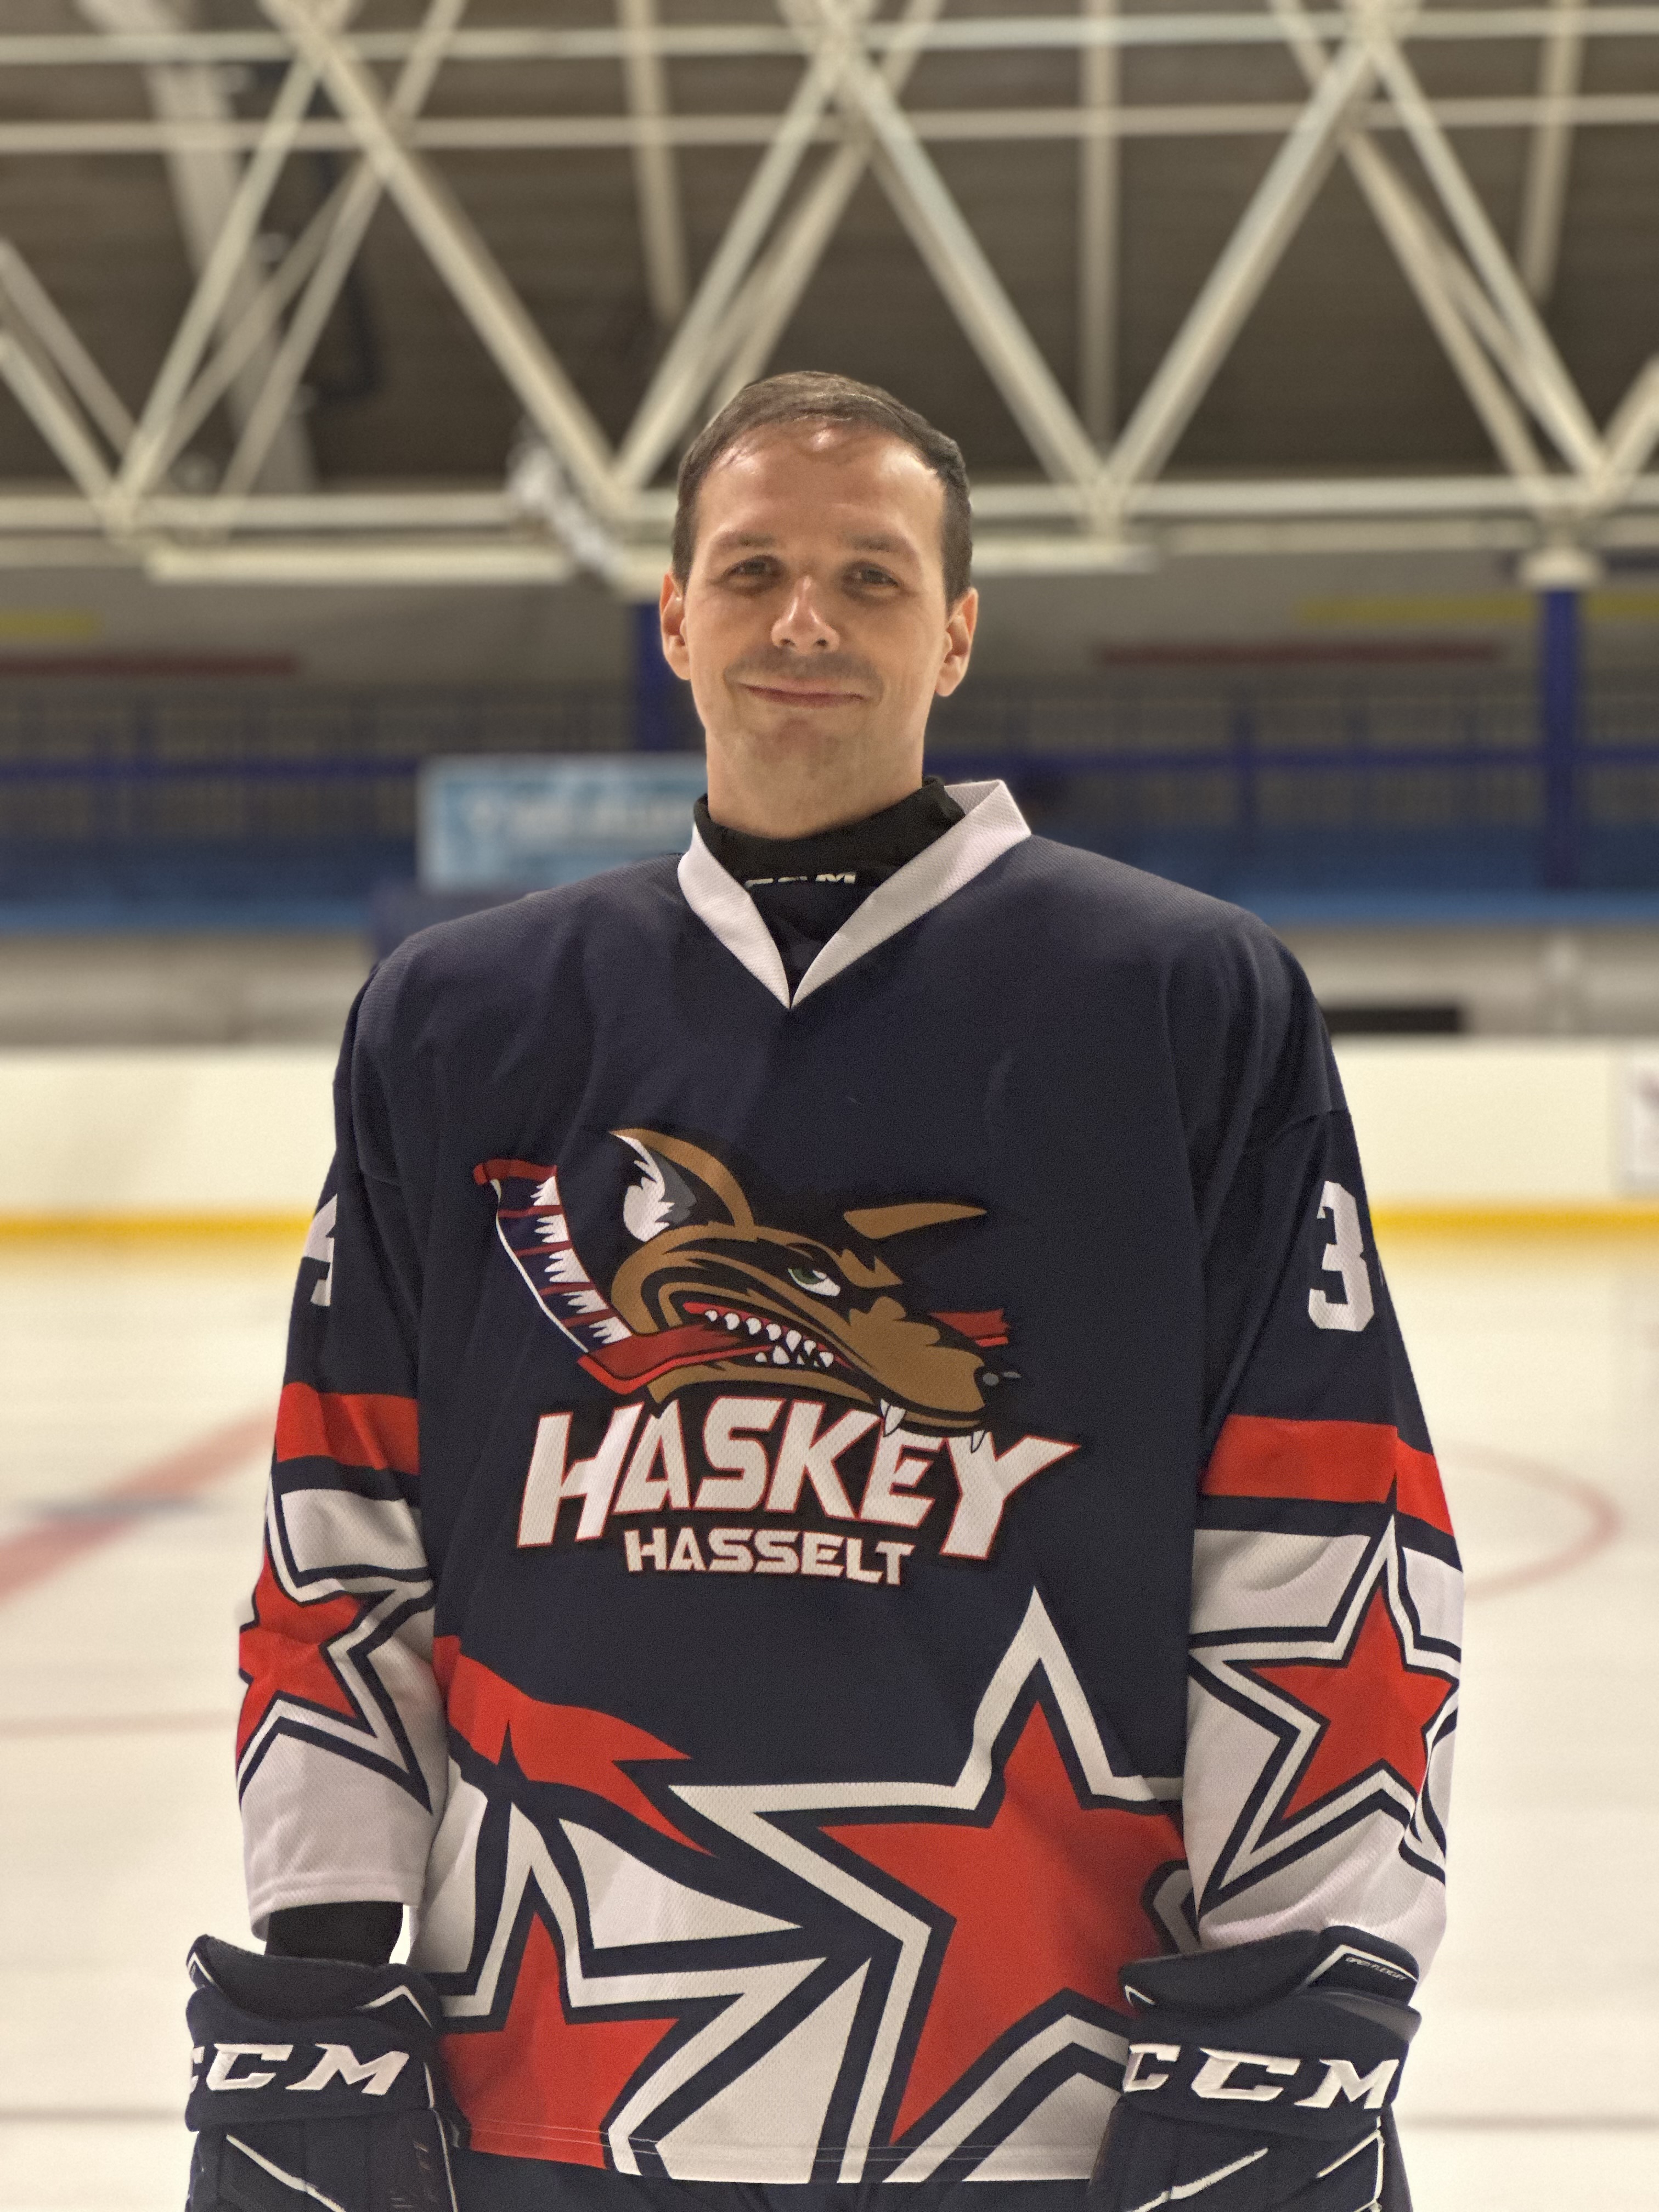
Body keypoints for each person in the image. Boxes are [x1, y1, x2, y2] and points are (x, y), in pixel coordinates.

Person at [185, 373, 1460, 2212]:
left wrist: (1307, 1993)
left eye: (871, 577)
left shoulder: (1180, 1002)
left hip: (1048, 2090)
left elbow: (1323, 1527)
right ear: (674, 616)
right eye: (753, 569)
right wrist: (322, 1960)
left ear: (956, 633)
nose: (805, 620)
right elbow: (342, 1529)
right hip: (546, 2082)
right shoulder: (461, 1021)